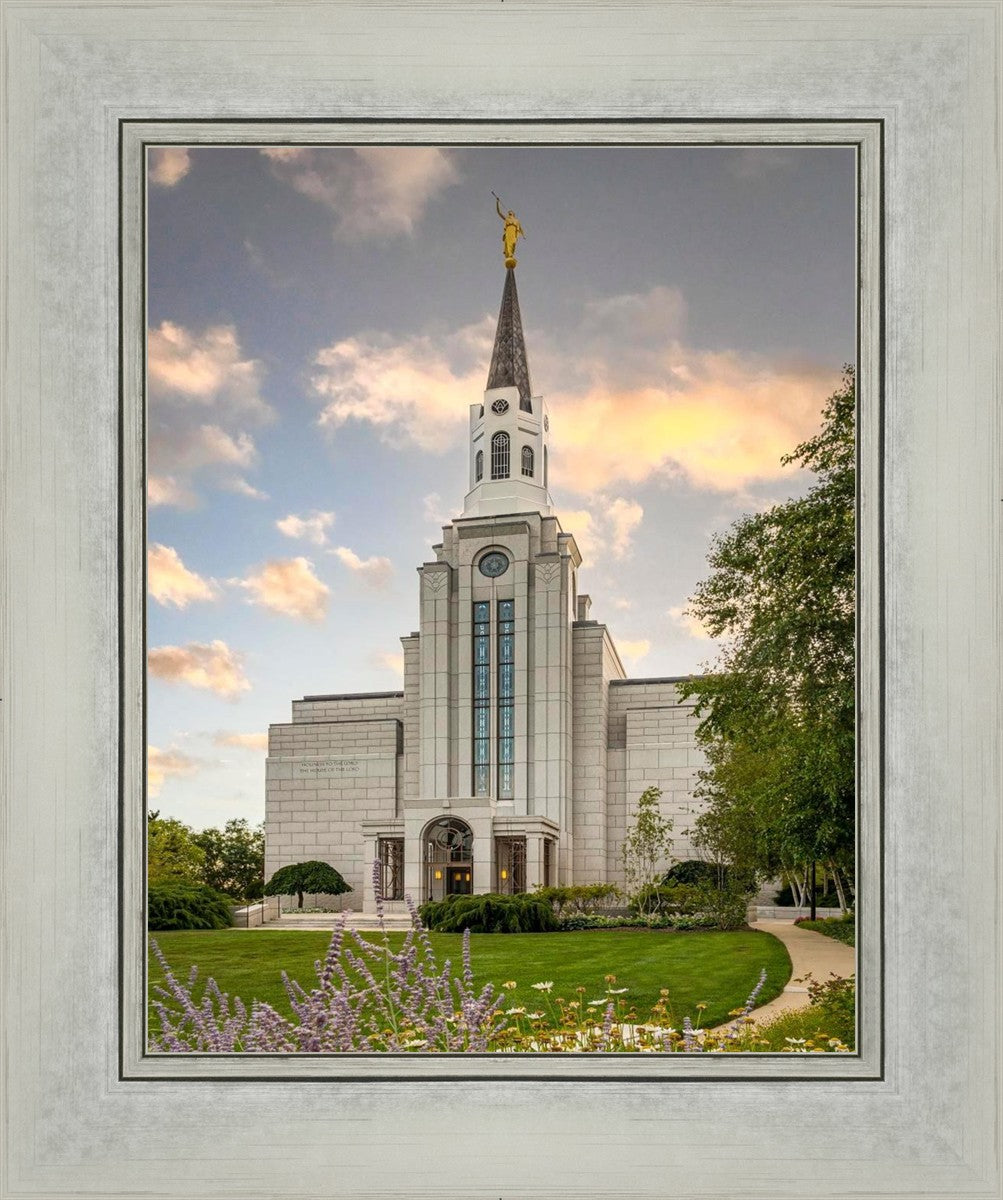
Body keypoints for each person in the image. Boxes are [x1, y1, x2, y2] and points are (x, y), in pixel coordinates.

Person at [495, 196, 525, 261]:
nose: (510, 212)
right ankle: (510, 255)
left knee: (513, 243)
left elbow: (520, 229)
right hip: (508, 232)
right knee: (508, 243)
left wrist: (523, 235)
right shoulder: (507, 219)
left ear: (513, 214)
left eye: (511, 212)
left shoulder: (516, 221)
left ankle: (511, 254)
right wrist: (497, 202)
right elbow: (499, 212)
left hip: (514, 232)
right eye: (509, 212)